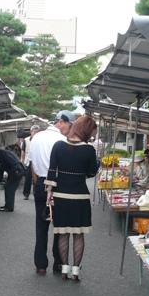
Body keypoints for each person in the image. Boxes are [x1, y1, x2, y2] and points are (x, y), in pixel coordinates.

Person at [46, 115, 99, 282]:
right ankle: (76, 271)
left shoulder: (58, 145)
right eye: (92, 132)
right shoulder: (89, 150)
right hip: (80, 196)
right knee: (78, 234)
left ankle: (64, 269)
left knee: (63, 234)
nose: (93, 135)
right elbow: (91, 172)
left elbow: (51, 170)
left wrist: (49, 192)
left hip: (61, 195)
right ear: (87, 130)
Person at [26, 110, 75, 275]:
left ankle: (40, 265)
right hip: (59, 185)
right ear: (61, 121)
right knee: (59, 226)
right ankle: (58, 264)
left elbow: (32, 165)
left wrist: (37, 184)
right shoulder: (63, 140)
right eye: (69, 125)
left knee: (41, 226)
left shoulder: (36, 137)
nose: (69, 130)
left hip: (41, 183)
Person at [0, 148, 25, 212]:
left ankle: (9, 207)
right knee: (7, 187)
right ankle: (7, 205)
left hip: (17, 170)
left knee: (9, 187)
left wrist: (13, 173)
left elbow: (12, 162)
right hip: (14, 171)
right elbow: (1, 170)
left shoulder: (1, 153)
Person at [22, 125, 41, 200]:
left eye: (37, 132)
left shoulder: (41, 140)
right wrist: (22, 161)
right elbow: (23, 151)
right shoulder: (26, 140)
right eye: (34, 132)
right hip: (28, 161)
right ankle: (26, 194)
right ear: (31, 132)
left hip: (37, 161)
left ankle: (36, 193)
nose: (36, 133)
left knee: (37, 178)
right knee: (27, 178)